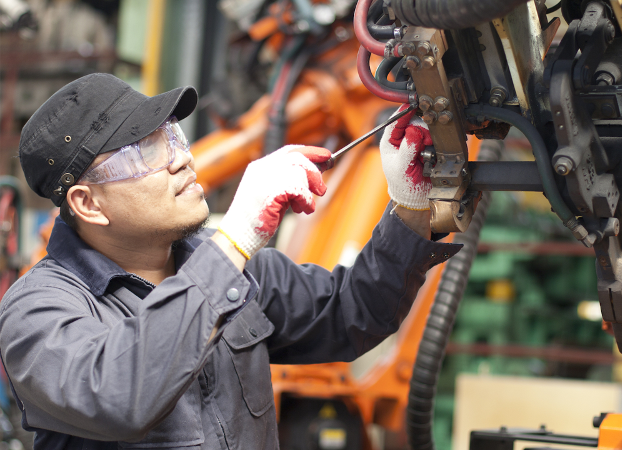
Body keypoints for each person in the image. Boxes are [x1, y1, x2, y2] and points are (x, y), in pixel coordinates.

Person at [0, 73, 458, 449]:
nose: (182, 161)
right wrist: (234, 241)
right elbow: (120, 398)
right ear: (88, 204)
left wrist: (410, 204)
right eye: (145, 151)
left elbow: (356, 312)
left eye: (173, 138)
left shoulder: (239, 270)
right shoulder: (37, 313)